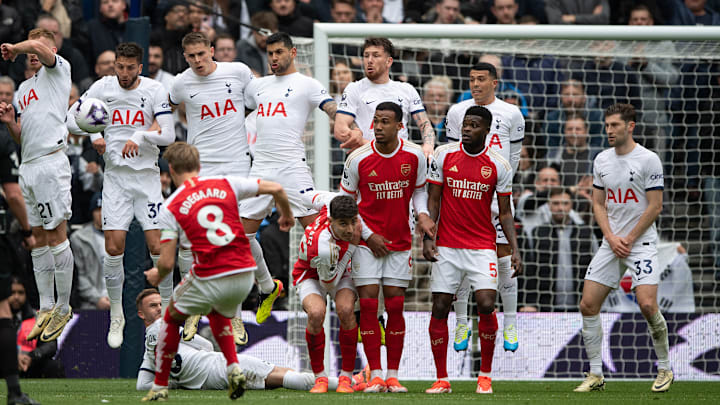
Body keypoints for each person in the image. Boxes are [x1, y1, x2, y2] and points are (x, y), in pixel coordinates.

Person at [141, 141, 294, 401]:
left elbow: (166, 264)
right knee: (216, 309)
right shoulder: (225, 184)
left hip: (212, 273)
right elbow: (277, 188)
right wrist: (286, 215)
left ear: (173, 170)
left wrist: (156, 275)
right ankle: (233, 367)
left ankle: (159, 385)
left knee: (169, 319)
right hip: (246, 273)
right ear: (199, 166)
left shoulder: (171, 207)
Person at [169, 32, 280, 343]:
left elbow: (265, 97)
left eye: (202, 54)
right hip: (199, 169)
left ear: (213, 50)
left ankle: (239, 312)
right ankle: (194, 307)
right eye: (191, 57)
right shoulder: (180, 83)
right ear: (184, 56)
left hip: (235, 166)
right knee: (191, 240)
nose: (197, 61)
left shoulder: (239, 72)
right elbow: (163, 108)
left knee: (238, 238)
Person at [67, 42, 175, 349]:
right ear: (114, 65)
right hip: (115, 179)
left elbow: (169, 134)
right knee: (114, 247)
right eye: (120, 66)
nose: (124, 73)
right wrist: (95, 134)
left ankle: (167, 310)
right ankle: (117, 313)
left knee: (158, 246)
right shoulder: (102, 87)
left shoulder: (155, 90)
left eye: (130, 68)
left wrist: (139, 135)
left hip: (148, 179)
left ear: (140, 67)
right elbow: (71, 117)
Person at [240, 32, 338, 326]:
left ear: (293, 52)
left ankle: (343, 299)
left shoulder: (307, 84)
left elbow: (330, 106)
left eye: (279, 52)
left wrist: (344, 121)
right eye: (270, 53)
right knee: (242, 236)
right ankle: (268, 287)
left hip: (292, 167)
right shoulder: (256, 86)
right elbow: (237, 112)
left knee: (319, 235)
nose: (274, 58)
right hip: (260, 167)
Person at [574, 103, 671, 393]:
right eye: (606, 125)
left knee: (647, 304)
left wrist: (628, 237)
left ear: (630, 126)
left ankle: (665, 368)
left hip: (639, 243)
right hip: (611, 243)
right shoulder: (601, 159)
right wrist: (611, 237)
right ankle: (595, 375)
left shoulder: (648, 160)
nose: (609, 130)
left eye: (614, 125)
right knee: (588, 304)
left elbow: (655, 206)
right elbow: (598, 203)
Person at [424, 105, 520, 394]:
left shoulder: (499, 165)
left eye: (474, 125)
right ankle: (441, 378)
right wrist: (429, 236)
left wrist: (514, 249)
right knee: (440, 305)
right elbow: (434, 199)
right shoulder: (443, 155)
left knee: (487, 303)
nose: (467, 129)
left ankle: (485, 376)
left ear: (486, 131)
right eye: (465, 124)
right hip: (448, 246)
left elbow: (504, 213)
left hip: (482, 247)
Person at [340, 102, 434, 393]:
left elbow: (419, 192)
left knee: (395, 307)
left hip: (400, 241)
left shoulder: (415, 155)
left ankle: (393, 376)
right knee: (367, 308)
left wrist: (422, 215)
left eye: (384, 122)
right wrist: (368, 236)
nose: (378, 127)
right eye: (376, 122)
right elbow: (347, 203)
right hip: (367, 244)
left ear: (399, 126)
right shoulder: (358, 159)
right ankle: (376, 375)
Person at [0, 27, 74, 343]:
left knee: (57, 234)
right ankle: (45, 306)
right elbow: (23, 138)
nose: (34, 52)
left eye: (39, 46)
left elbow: (37, 49)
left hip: (50, 163)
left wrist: (17, 47)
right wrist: (10, 124)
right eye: (32, 48)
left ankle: (64, 305)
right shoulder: (22, 89)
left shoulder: (59, 70)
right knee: (40, 237)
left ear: (50, 49)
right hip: (29, 165)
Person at [445, 62, 524, 352]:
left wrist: (500, 185)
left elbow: (513, 159)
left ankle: (511, 324)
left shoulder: (512, 114)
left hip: (497, 195)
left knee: (504, 260)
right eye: (471, 80)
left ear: (494, 82)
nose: (475, 84)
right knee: (463, 261)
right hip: (465, 196)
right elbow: (453, 153)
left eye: (481, 79)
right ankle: (463, 322)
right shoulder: (457, 111)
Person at [135, 289, 342, 393]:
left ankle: (345, 383)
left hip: (209, 381)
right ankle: (347, 383)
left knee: (276, 378)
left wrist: (177, 382)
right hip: (218, 366)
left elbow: (142, 385)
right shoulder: (165, 327)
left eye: (159, 304)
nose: (159, 309)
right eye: (152, 306)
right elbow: (206, 346)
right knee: (291, 377)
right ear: (141, 314)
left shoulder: (148, 350)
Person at [293, 192, 361, 393]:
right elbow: (329, 282)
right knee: (316, 313)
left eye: (353, 222)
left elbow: (303, 197)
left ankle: (346, 378)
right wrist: (351, 247)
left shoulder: (331, 202)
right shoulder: (324, 246)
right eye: (343, 224)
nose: (350, 229)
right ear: (330, 221)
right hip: (312, 274)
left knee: (346, 310)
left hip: (342, 268)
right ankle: (320, 378)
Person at [335, 37, 436, 158]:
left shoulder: (406, 89)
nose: (369, 60)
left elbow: (425, 124)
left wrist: (428, 145)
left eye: (376, 55)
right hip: (367, 159)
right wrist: (365, 143)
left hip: (400, 160)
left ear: (389, 61)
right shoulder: (354, 88)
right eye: (366, 56)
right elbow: (340, 129)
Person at [0, 85, 38, 403]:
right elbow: (13, 193)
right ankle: (14, 393)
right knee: (2, 312)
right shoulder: (2, 139)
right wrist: (27, 231)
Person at [520, 187, 595, 312]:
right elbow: (529, 270)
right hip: (545, 307)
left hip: (582, 306)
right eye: (556, 203)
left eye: (565, 203)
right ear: (548, 206)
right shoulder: (537, 233)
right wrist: (529, 302)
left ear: (571, 205)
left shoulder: (586, 233)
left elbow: (597, 268)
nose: (560, 208)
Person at [10, 277, 65, 379]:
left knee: (54, 366)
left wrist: (32, 357)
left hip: (31, 364)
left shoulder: (38, 318)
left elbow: (51, 344)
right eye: (12, 293)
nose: (16, 297)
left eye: (20, 293)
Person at [70, 192, 110, 310]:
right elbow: (79, 276)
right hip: (90, 303)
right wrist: (97, 299)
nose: (102, 213)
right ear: (92, 212)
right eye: (98, 209)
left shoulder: (125, 237)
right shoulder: (79, 238)